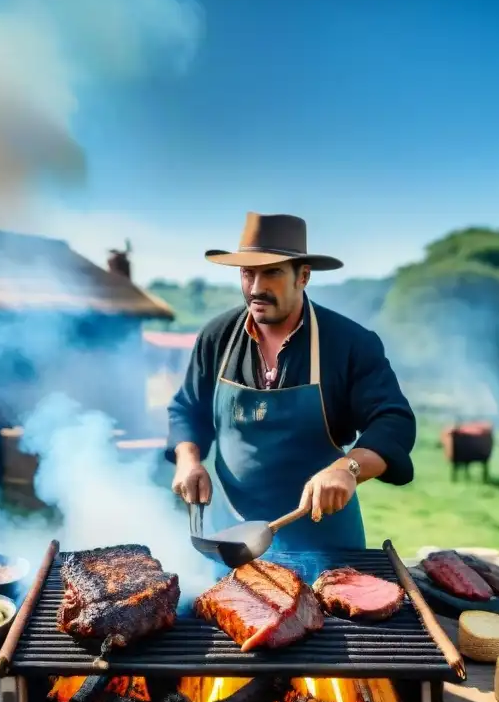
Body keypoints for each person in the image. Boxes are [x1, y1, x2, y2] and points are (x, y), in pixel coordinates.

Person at [166, 212, 417, 551]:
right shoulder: (217, 337)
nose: (256, 288)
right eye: (247, 273)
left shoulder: (350, 343)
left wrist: (349, 467)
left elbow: (393, 421)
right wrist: (188, 460)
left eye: (271, 273)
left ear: (303, 276)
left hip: (324, 545)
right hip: (230, 539)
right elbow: (188, 409)